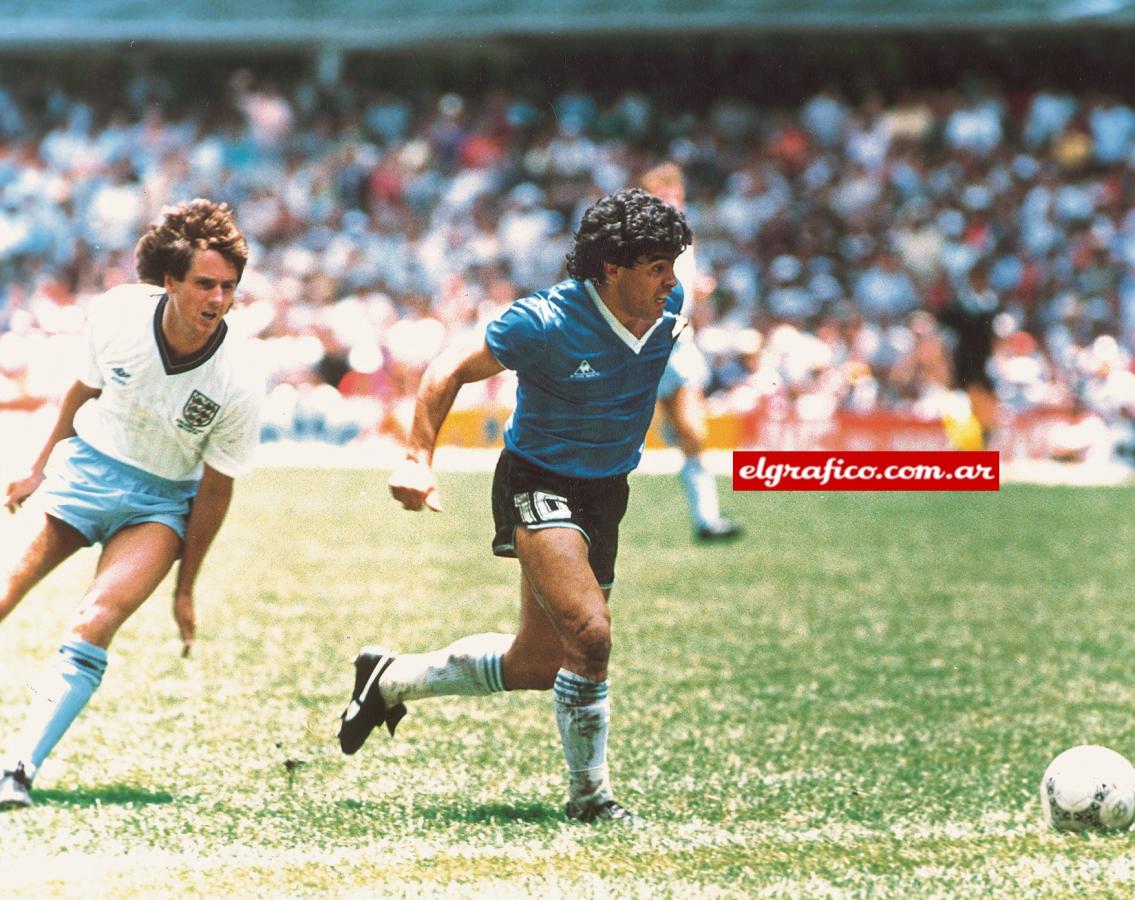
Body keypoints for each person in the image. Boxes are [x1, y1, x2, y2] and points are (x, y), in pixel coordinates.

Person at [339, 188, 693, 825]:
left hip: (607, 491)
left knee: (540, 661)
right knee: (591, 634)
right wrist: (419, 457)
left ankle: (389, 678)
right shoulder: (544, 321)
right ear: (612, 268)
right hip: (538, 477)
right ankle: (591, 800)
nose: (673, 280)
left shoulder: (671, 308)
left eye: (674, 264)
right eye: (658, 267)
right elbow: (447, 370)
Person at [0, 199, 262, 810]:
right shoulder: (117, 314)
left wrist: (185, 587)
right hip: (84, 473)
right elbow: (80, 393)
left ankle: (18, 769)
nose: (218, 299)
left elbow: (217, 489)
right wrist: (40, 468)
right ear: (168, 282)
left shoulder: (242, 378)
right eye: (204, 283)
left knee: (96, 619)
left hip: (160, 504)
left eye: (229, 287)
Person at [640, 163, 741, 542]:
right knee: (621, 435)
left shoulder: (685, 239)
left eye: (676, 196)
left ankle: (707, 519)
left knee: (693, 433)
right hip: (642, 344)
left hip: (677, 342)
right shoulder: (638, 240)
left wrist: (698, 291)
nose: (672, 203)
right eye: (664, 197)